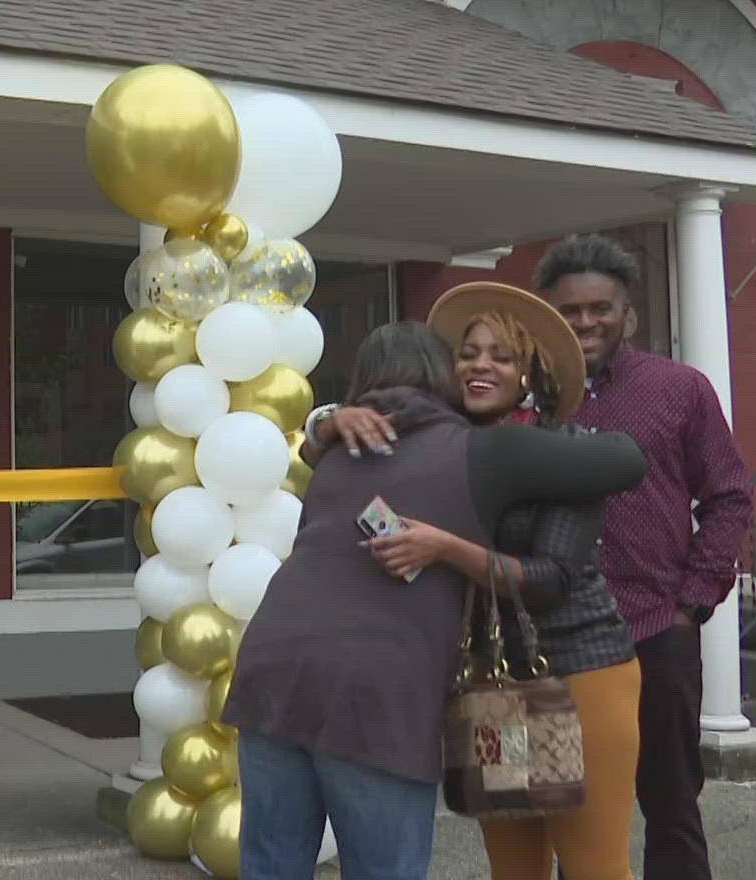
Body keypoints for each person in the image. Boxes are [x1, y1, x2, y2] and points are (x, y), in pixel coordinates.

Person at [223, 321, 647, 880]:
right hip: (380, 692)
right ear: (444, 375)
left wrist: (326, 420)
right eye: (465, 355)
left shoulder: (337, 450)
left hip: (271, 670)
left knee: (271, 865)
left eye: (499, 356)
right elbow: (627, 461)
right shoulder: (484, 449)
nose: (477, 366)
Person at [534, 234, 751, 880]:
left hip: (656, 628)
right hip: (559, 640)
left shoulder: (679, 389)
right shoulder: (529, 401)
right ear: (550, 313)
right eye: (569, 311)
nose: (585, 322)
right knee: (571, 805)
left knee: (672, 801)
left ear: (626, 311)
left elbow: (730, 495)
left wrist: (692, 603)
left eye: (600, 308)